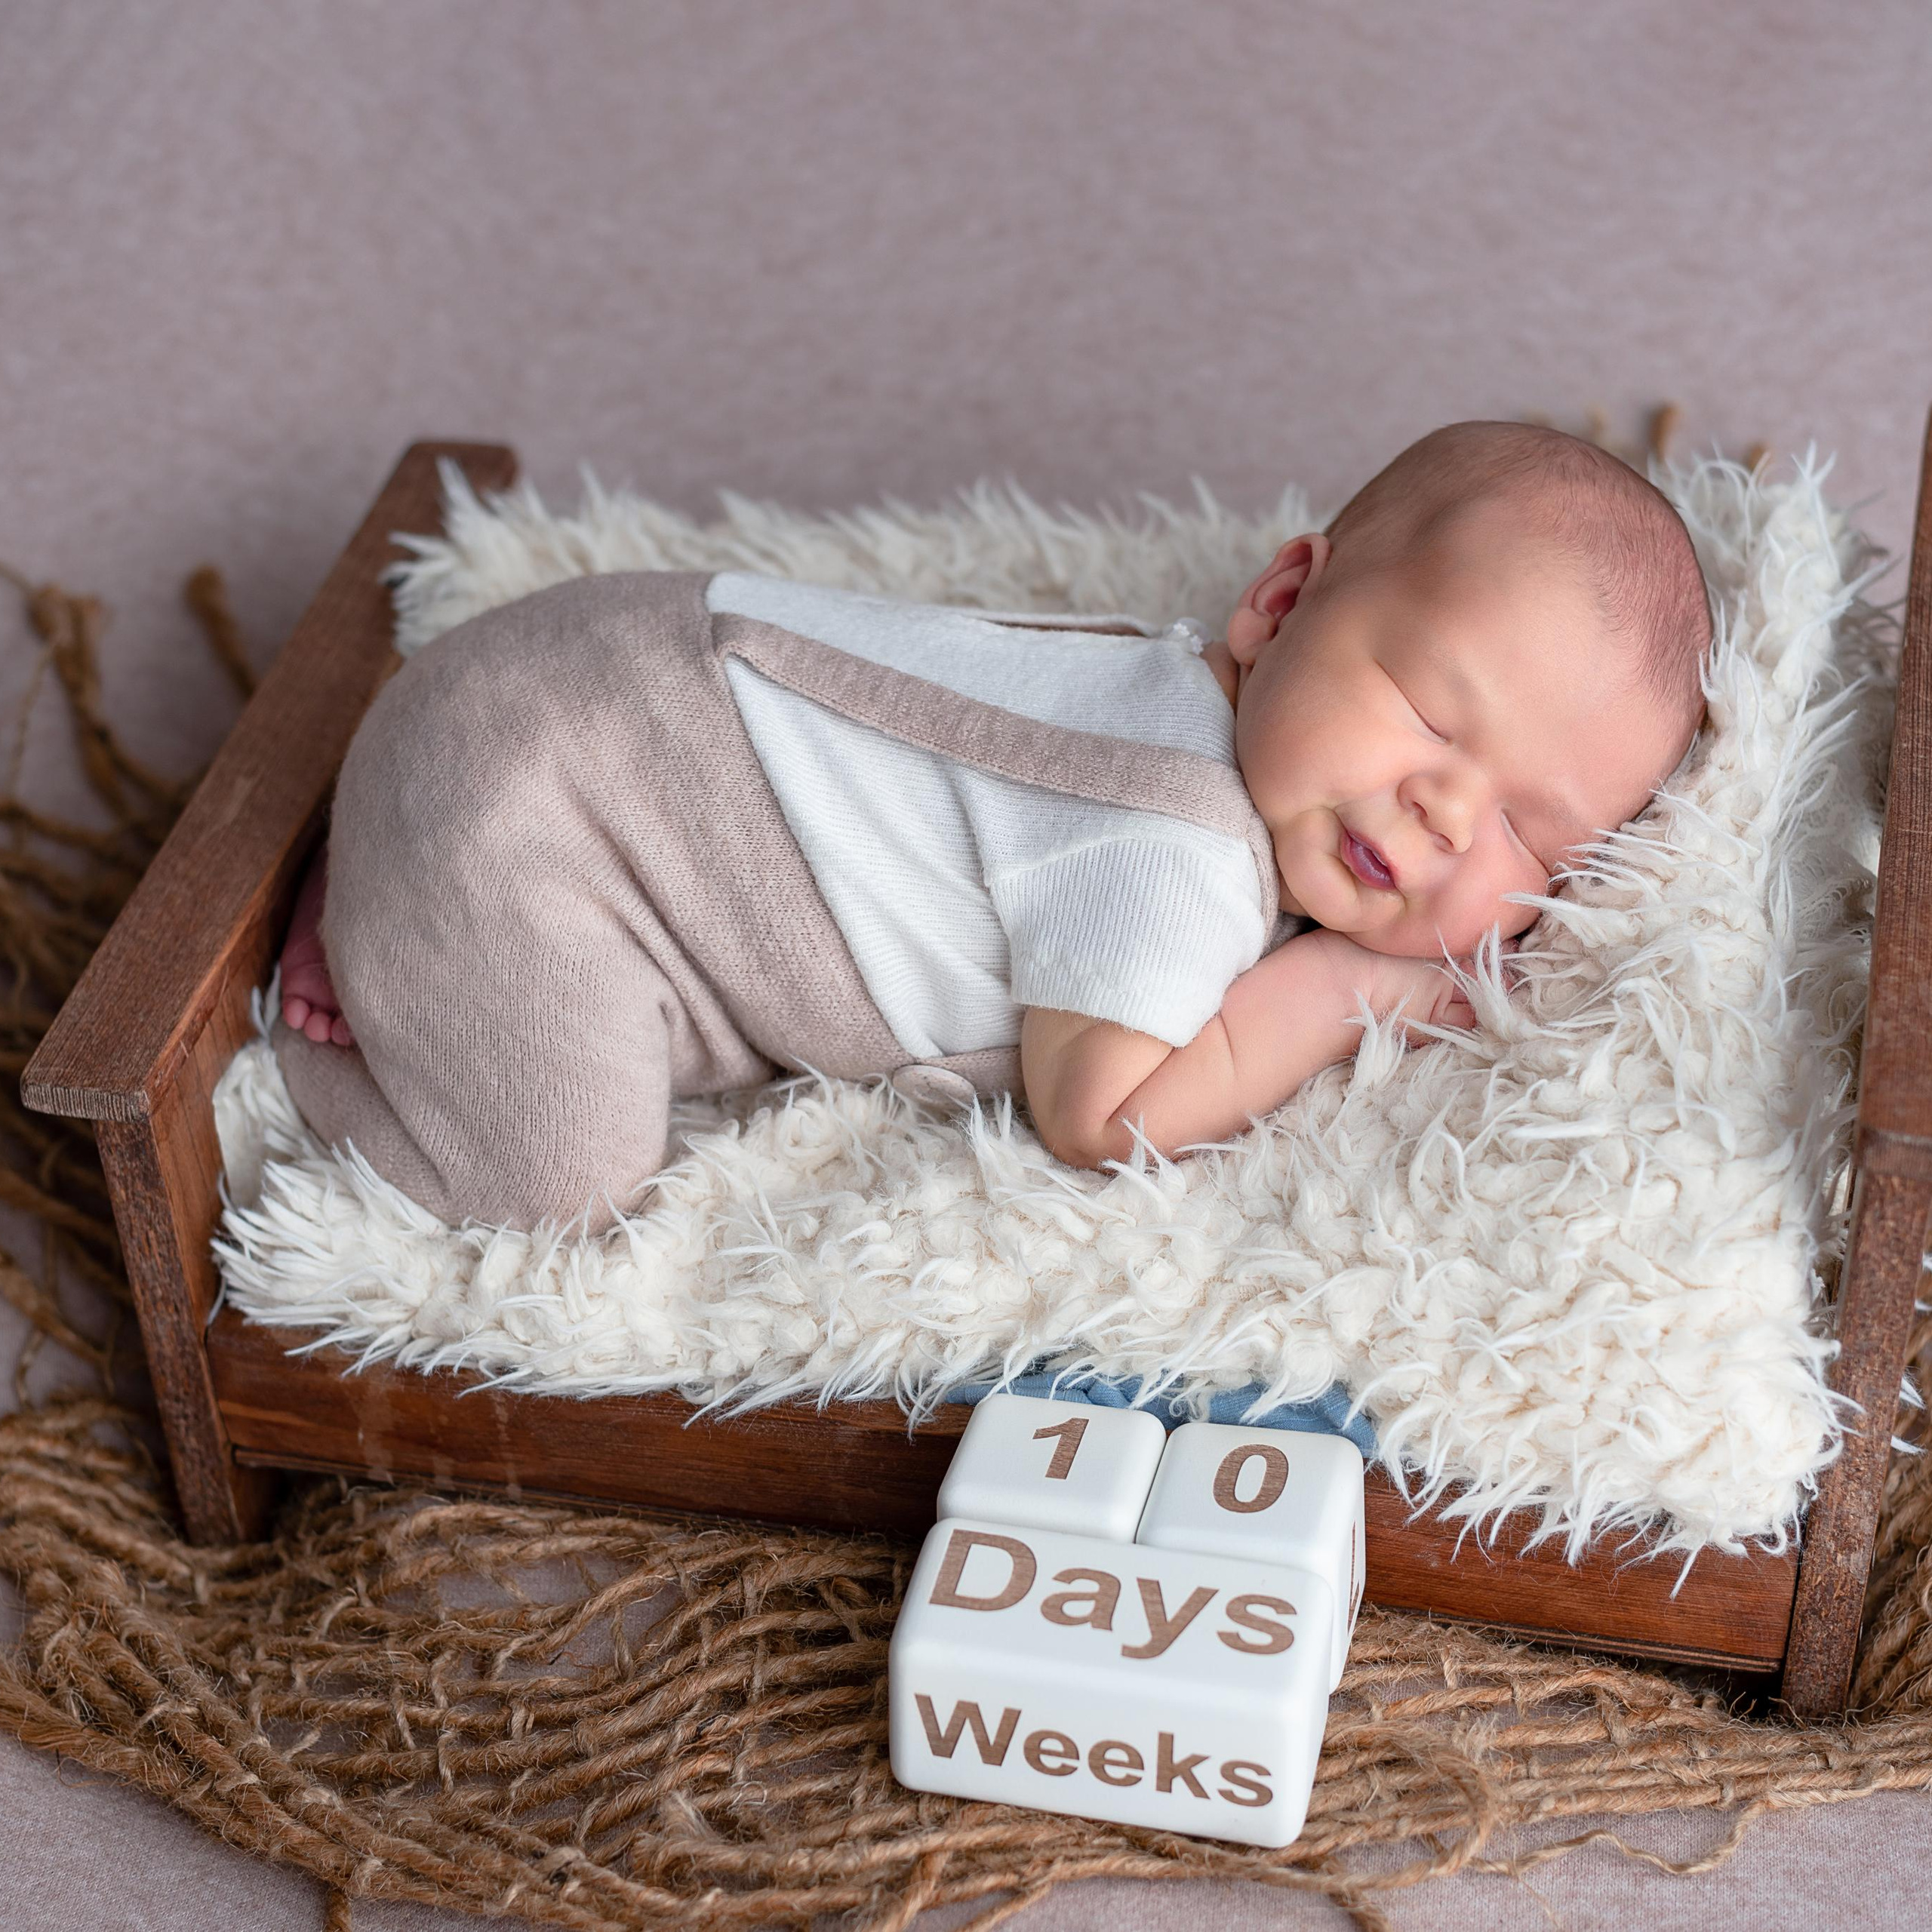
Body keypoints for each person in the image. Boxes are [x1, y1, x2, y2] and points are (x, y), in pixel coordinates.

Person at [275, 422, 1709, 1230]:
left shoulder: (1170, 689)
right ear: (1280, 606)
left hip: (555, 685)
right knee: (554, 1189)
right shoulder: (1173, 843)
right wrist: (1350, 988)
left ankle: (387, 871)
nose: (1448, 812)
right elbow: (1103, 1118)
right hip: (538, 807)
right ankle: (333, 1037)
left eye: (1532, 836)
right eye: (1430, 712)